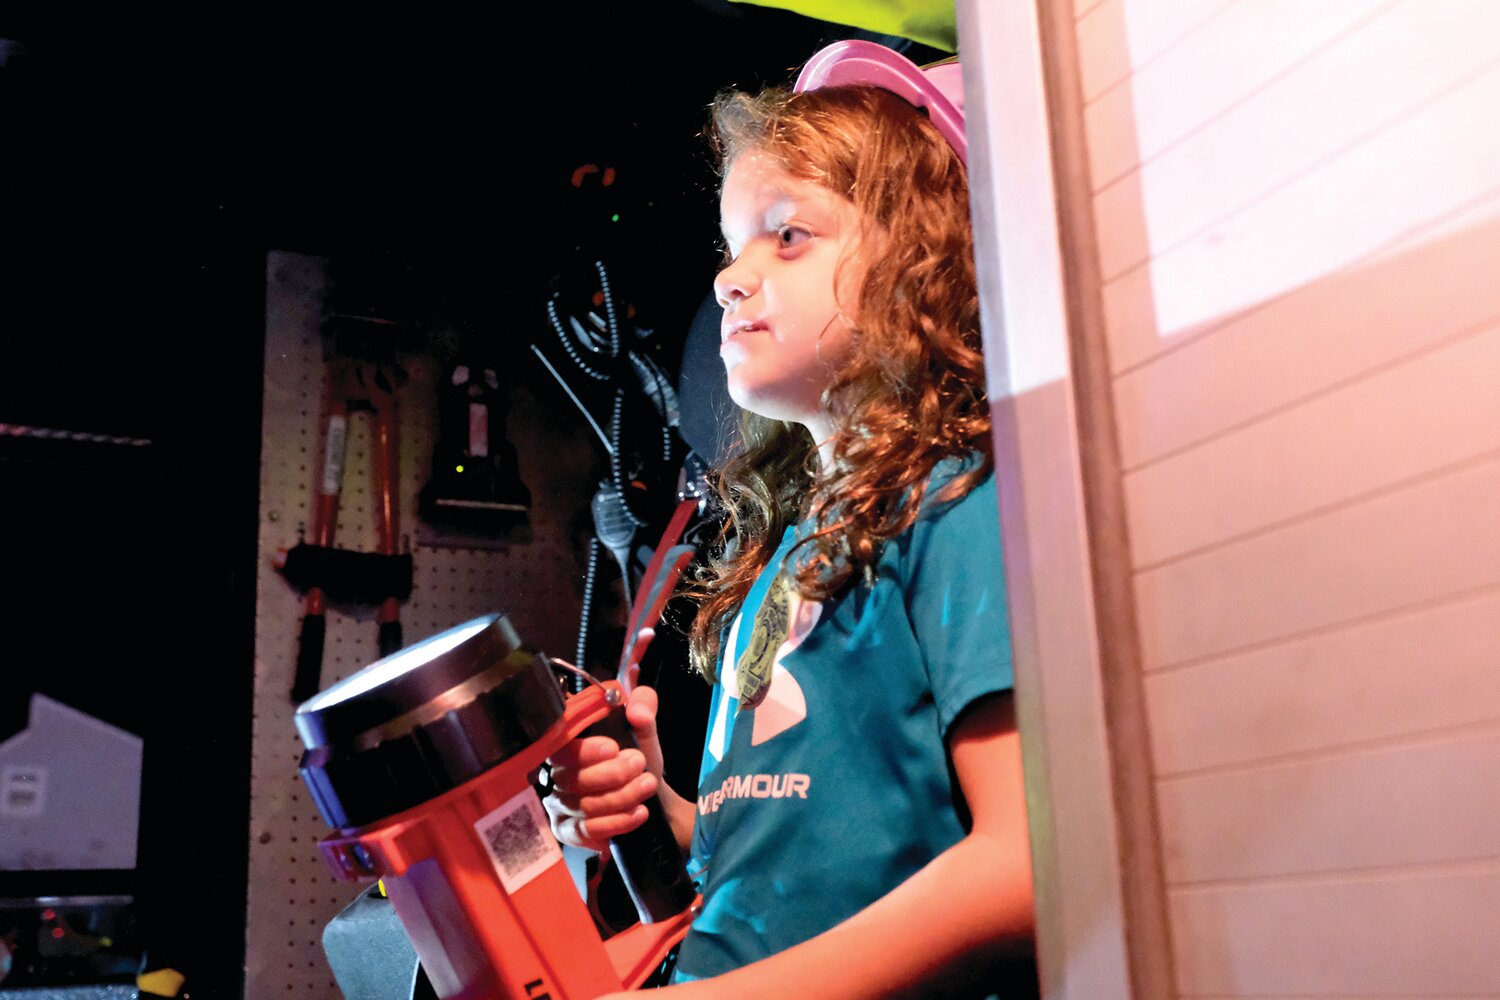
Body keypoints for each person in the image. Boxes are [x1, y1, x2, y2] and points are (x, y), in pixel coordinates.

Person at [544, 39, 1036, 998]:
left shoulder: (957, 501)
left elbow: (1023, 869)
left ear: (931, 257)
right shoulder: (792, 546)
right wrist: (665, 812)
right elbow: (776, 872)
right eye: (734, 247)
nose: (731, 278)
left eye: (789, 235)